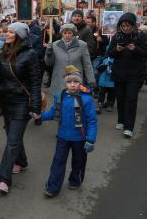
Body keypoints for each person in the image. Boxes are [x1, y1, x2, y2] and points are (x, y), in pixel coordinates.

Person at [0, 22, 42, 194]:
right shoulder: (4, 53)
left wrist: (36, 108)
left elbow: (36, 83)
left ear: (20, 36)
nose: (5, 34)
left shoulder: (30, 55)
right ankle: (21, 162)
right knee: (12, 136)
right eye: (6, 31)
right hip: (6, 100)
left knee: (12, 140)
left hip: (22, 103)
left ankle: (4, 178)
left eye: (10, 32)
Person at [40, 65, 97, 198]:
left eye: (76, 81)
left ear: (80, 82)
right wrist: (40, 115)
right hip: (63, 137)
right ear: (65, 82)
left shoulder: (87, 99)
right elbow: (52, 113)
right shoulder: (60, 96)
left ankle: (75, 180)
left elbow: (92, 122)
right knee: (58, 161)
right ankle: (53, 187)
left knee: (78, 161)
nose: (72, 84)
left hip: (80, 138)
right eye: (69, 82)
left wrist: (91, 139)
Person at [108, 12, 147, 138]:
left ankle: (129, 127)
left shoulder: (141, 36)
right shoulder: (117, 36)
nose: (126, 28)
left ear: (133, 25)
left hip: (135, 74)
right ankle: (121, 120)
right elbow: (110, 53)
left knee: (131, 99)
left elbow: (145, 53)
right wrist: (116, 50)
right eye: (123, 25)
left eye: (128, 25)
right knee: (121, 98)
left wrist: (135, 49)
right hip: (119, 73)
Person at [45, 23, 96, 95]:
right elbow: (49, 63)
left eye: (69, 33)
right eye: (65, 33)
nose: (67, 35)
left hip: (75, 81)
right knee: (60, 103)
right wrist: (48, 52)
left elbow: (87, 64)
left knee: (75, 103)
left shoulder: (82, 45)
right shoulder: (55, 45)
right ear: (62, 33)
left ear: (73, 33)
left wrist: (91, 81)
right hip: (59, 80)